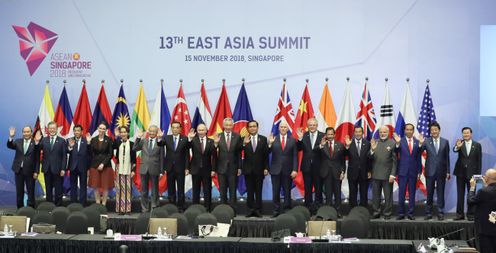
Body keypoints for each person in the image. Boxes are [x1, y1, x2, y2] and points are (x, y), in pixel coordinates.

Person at [419, 122, 450, 220]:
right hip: (430, 171)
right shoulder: (426, 141)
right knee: (430, 193)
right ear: (430, 131)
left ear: (439, 130)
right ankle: (428, 213)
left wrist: (448, 171)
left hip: (441, 171)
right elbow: (419, 152)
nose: (434, 131)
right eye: (432, 130)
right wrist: (420, 143)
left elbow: (447, 158)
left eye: (435, 129)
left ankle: (440, 212)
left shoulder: (445, 142)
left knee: (441, 193)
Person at [158, 121, 191, 211]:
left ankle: (181, 207)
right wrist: (160, 138)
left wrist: (187, 168)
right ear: (171, 129)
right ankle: (171, 207)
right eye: (173, 127)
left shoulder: (184, 139)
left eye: (177, 127)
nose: (175, 129)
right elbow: (160, 144)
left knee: (181, 189)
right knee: (171, 189)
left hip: (181, 168)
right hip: (169, 168)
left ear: (180, 129)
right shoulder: (167, 138)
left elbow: (187, 155)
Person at [268, 120, 298, 217]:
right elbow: (267, 153)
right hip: (275, 170)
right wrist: (269, 144)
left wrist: (295, 169)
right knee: (275, 191)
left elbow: (295, 156)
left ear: (288, 128)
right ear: (279, 128)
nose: (283, 129)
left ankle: (287, 210)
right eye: (281, 127)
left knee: (287, 191)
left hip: (288, 170)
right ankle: (276, 211)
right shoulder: (273, 139)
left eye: (285, 127)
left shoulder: (292, 140)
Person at [295, 118, 325, 212]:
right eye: (310, 125)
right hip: (306, 167)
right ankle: (308, 208)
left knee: (318, 188)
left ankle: (318, 207)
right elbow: (298, 149)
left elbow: (326, 151)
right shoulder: (304, 135)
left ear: (317, 125)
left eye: (314, 125)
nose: (312, 126)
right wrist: (300, 139)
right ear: (307, 126)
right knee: (307, 189)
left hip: (319, 167)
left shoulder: (323, 136)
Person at [393, 124, 422, 220]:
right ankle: (401, 213)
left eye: (411, 130)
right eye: (407, 129)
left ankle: (410, 213)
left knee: (412, 193)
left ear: (413, 131)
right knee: (401, 193)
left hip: (413, 172)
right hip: (402, 172)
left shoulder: (418, 142)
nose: (409, 131)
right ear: (404, 131)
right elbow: (396, 151)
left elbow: (418, 158)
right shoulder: (399, 141)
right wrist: (397, 144)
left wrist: (419, 171)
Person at [453, 127, 482, 221]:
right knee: (460, 195)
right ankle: (459, 214)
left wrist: (477, 176)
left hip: (472, 175)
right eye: (464, 133)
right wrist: (458, 146)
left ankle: (471, 215)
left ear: (471, 134)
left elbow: (479, 161)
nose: (465, 134)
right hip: (460, 173)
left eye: (467, 133)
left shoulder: (477, 145)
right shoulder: (460, 143)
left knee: (471, 195)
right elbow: (454, 149)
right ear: (462, 134)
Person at [213, 118, 242, 211]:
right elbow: (213, 154)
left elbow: (239, 153)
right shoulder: (218, 136)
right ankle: (223, 210)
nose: (228, 127)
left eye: (230, 125)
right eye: (227, 125)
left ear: (233, 125)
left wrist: (239, 167)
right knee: (222, 190)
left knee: (233, 191)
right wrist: (215, 144)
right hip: (221, 167)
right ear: (223, 125)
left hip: (233, 168)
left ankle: (233, 210)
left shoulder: (237, 136)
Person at [36, 121, 67, 206]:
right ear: (48, 129)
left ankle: (58, 206)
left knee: (58, 189)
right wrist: (37, 142)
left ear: (57, 129)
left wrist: (63, 169)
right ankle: (49, 206)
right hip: (47, 168)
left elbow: (64, 156)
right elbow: (36, 150)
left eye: (54, 128)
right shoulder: (43, 140)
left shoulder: (62, 141)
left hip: (58, 169)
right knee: (48, 189)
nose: (52, 130)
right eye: (50, 128)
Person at [7, 126, 39, 208]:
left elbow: (37, 159)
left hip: (30, 171)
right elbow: (10, 145)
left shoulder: (35, 143)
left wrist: (36, 171)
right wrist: (11, 137)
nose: (26, 133)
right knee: (19, 191)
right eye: (24, 132)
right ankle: (20, 209)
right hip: (18, 170)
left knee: (31, 191)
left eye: (28, 132)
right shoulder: (18, 141)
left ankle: (31, 209)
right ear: (22, 133)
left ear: (31, 133)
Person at [242, 120, 269, 217]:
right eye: (250, 126)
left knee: (258, 191)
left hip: (259, 170)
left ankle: (258, 210)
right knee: (249, 191)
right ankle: (250, 210)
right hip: (248, 170)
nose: (252, 128)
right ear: (248, 128)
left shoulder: (263, 139)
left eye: (254, 126)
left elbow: (266, 155)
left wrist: (266, 168)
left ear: (257, 128)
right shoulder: (243, 139)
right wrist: (244, 144)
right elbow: (237, 152)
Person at [134, 125, 164, 212]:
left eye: (153, 131)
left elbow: (162, 157)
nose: (151, 133)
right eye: (150, 131)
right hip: (144, 169)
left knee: (155, 190)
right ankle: (144, 209)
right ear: (148, 131)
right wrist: (138, 137)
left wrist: (161, 171)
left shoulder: (160, 142)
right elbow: (135, 148)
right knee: (144, 191)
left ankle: (154, 208)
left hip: (155, 169)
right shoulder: (144, 141)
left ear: (157, 132)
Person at [369, 126, 397, 219]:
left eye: (384, 132)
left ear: (388, 133)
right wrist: (372, 149)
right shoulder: (374, 142)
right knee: (375, 196)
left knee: (388, 196)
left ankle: (387, 213)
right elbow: (368, 158)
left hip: (387, 175)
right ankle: (376, 212)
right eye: (381, 132)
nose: (382, 134)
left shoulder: (393, 143)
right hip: (376, 174)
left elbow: (395, 161)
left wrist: (393, 174)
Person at [188, 123, 216, 211]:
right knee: (195, 190)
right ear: (197, 131)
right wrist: (190, 139)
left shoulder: (211, 141)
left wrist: (213, 169)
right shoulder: (193, 140)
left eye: (202, 130)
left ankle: (207, 208)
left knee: (207, 190)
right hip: (195, 169)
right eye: (199, 130)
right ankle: (195, 208)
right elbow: (186, 147)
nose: (201, 132)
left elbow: (214, 156)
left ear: (206, 131)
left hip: (207, 170)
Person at [468, 169, 496, 253]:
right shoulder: (485, 191)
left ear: (487, 179)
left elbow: (470, 201)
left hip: (485, 230)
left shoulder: (483, 192)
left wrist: (472, 187)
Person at [319, 127, 345, 214]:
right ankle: (328, 213)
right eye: (328, 134)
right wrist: (321, 145)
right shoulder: (322, 144)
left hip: (337, 173)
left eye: (331, 134)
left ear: (334, 135)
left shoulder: (340, 145)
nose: (330, 136)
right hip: (326, 173)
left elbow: (343, 161)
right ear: (326, 135)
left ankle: (338, 212)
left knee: (338, 194)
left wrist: (343, 171)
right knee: (328, 195)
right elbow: (315, 153)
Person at [344, 126, 371, 208]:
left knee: (364, 192)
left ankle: (363, 209)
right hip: (352, 172)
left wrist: (370, 171)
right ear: (354, 133)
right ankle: (353, 209)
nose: (358, 133)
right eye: (356, 132)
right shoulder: (349, 143)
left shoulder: (367, 143)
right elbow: (344, 155)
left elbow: (369, 159)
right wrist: (347, 146)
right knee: (352, 192)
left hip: (364, 172)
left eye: (360, 132)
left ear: (362, 133)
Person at [88, 122, 114, 206]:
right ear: (98, 129)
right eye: (100, 128)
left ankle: (103, 204)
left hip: (106, 166)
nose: (102, 130)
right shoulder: (93, 139)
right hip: (94, 165)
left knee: (105, 186)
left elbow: (110, 154)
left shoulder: (109, 139)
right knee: (95, 185)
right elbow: (90, 153)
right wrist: (88, 143)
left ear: (106, 130)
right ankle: (98, 203)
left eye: (104, 129)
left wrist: (103, 164)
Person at [113, 126, 136, 215]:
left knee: (128, 189)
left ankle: (128, 209)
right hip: (119, 168)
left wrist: (133, 170)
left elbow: (134, 159)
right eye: (121, 132)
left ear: (127, 133)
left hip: (129, 167)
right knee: (119, 189)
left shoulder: (132, 144)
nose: (123, 134)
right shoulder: (118, 143)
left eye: (124, 132)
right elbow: (113, 146)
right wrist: (115, 136)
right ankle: (120, 209)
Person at [67, 124, 90, 205]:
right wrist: (70, 147)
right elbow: (67, 151)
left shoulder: (86, 140)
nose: (76, 132)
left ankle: (82, 204)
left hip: (83, 166)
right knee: (73, 186)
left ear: (81, 132)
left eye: (78, 131)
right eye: (75, 131)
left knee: (83, 186)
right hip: (73, 166)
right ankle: (73, 203)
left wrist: (89, 143)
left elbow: (90, 153)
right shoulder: (70, 140)